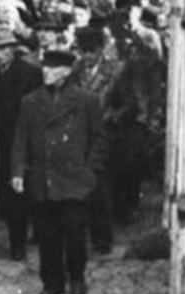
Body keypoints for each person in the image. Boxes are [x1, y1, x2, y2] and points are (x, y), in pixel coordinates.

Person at [12, 50, 108, 294]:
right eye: (44, 67)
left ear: (66, 72)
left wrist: (89, 171)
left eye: (53, 68)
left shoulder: (86, 100)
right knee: (46, 234)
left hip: (74, 179)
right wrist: (18, 172)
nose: (46, 72)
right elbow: (20, 139)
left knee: (75, 232)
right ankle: (52, 282)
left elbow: (98, 139)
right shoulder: (30, 102)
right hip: (43, 177)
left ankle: (76, 277)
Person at [0, 29, 43, 261]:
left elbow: (35, 111)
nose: (1, 53)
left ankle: (17, 244)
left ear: (14, 48)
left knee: (17, 194)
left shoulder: (31, 73)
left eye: (5, 47)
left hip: (17, 140)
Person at [69, 26, 124, 255]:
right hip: (78, 135)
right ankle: (83, 234)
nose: (87, 56)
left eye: (91, 51)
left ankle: (103, 238)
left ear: (101, 49)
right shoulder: (75, 69)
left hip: (103, 135)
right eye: (83, 51)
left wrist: (113, 115)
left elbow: (127, 103)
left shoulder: (116, 70)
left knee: (100, 187)